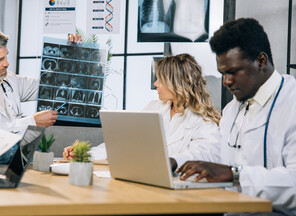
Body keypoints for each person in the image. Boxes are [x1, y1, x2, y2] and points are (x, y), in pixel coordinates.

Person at [177, 18, 296, 213]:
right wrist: (174, 161)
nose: (226, 82)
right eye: (222, 73)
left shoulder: (292, 103)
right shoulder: (233, 108)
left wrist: (235, 174)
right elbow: (214, 152)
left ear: (261, 61)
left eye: (233, 72)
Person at [64, 54, 221, 169]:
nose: (155, 84)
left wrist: (163, 161)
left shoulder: (203, 121)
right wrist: (84, 154)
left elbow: (203, 157)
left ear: (177, 83)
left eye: (160, 80)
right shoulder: (154, 107)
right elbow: (124, 142)